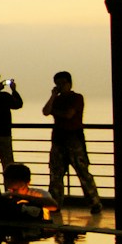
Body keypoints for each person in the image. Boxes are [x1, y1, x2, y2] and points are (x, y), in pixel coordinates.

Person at [42, 70, 103, 211]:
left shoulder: (77, 98)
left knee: (83, 173)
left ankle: (94, 202)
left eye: (63, 83)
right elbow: (45, 111)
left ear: (69, 83)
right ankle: (55, 203)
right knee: (55, 174)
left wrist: (54, 112)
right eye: (58, 84)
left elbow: (69, 114)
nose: (60, 86)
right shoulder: (56, 99)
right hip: (58, 139)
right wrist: (52, 96)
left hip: (74, 138)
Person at [0, 162, 57, 226]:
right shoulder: (8, 195)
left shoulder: (39, 194)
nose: (13, 191)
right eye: (11, 189)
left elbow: (53, 205)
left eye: (16, 189)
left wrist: (21, 197)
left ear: (27, 182)